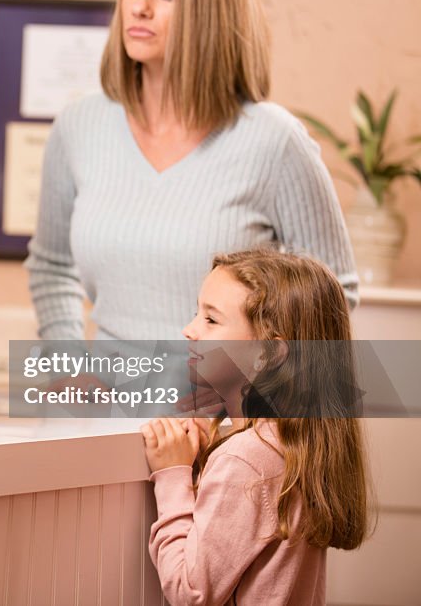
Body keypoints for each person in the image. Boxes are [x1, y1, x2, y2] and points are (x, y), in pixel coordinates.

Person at [25, 0, 357, 345]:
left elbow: (334, 296)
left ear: (212, 7)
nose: (140, 8)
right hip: (108, 406)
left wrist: (245, 391)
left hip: (226, 409)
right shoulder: (78, 126)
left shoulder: (276, 141)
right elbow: (52, 266)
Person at [141, 249, 368, 604]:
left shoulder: (245, 459)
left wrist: (173, 473)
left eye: (211, 320)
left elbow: (190, 592)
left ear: (268, 353)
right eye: (196, 313)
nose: (189, 330)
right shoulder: (290, 445)